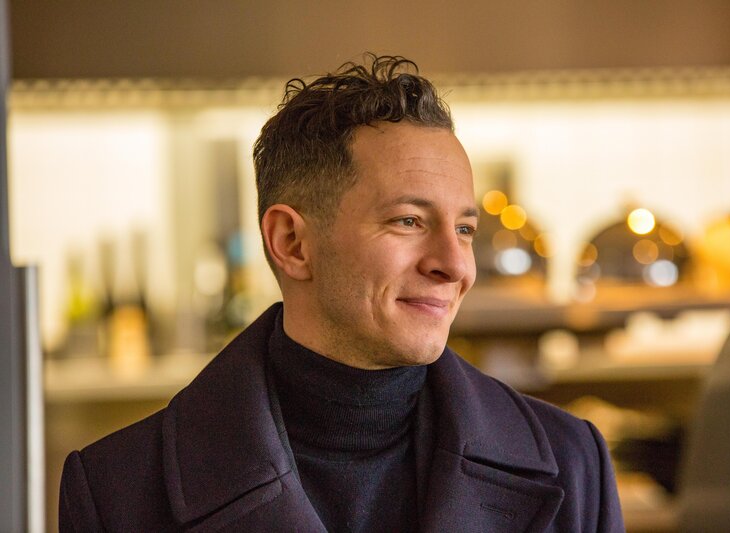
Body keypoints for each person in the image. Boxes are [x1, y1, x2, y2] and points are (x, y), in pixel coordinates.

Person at [59, 54, 624, 532]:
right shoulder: (118, 490)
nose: (455, 266)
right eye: (408, 221)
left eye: (464, 229)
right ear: (292, 243)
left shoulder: (573, 461)